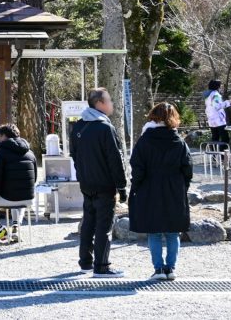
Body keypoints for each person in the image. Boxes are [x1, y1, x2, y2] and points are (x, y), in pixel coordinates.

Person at [129, 102, 193, 281]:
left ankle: (158, 269)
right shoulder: (179, 141)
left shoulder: (144, 140)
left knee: (154, 231)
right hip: (174, 189)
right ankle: (170, 268)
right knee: (173, 231)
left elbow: (137, 167)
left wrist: (136, 186)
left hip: (150, 189)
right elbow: (187, 168)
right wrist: (183, 186)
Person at [71, 87, 128, 278]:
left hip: (86, 184)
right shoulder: (105, 127)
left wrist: (83, 176)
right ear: (99, 103)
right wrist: (122, 185)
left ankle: (85, 262)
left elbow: (74, 156)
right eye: (109, 100)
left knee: (88, 222)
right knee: (104, 226)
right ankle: (101, 266)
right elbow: (115, 159)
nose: (112, 103)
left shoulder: (78, 126)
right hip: (104, 185)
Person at [204, 80, 231, 145]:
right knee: (224, 138)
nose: (221, 87)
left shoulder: (208, 94)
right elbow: (217, 106)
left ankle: (214, 151)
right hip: (219, 119)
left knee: (215, 137)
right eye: (220, 85)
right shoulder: (215, 94)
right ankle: (223, 151)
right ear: (217, 86)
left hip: (211, 118)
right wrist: (228, 102)